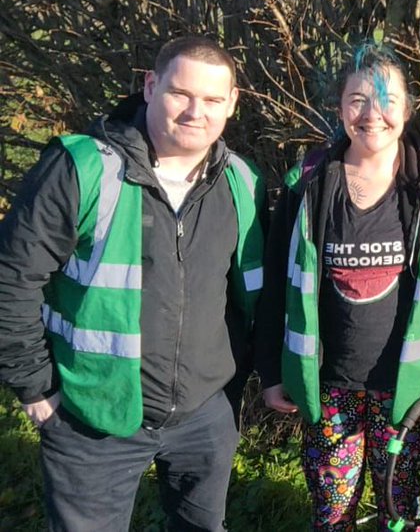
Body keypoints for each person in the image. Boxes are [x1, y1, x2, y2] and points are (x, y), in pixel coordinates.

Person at [0, 35, 265, 530]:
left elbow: (249, 299)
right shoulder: (82, 168)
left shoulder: (243, 183)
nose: (195, 112)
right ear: (150, 86)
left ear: (231, 103)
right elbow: (12, 280)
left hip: (204, 415)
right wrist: (35, 388)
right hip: (91, 413)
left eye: (212, 99)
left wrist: (234, 386)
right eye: (180, 94)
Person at [255, 43, 420, 530]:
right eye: (357, 100)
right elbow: (276, 284)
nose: (372, 114)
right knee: (332, 511)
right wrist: (271, 368)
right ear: (339, 109)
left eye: (387, 100)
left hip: (406, 382)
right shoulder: (307, 181)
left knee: (399, 507)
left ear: (408, 109)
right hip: (326, 382)